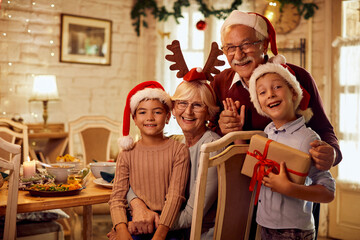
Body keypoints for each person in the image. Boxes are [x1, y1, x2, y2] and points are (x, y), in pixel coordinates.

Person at [211, 10, 342, 170]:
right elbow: (207, 134)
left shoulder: (297, 77)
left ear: (264, 45)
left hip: (292, 180)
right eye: (230, 47)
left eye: (246, 45)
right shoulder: (219, 83)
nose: (238, 55)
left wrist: (333, 153)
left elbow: (323, 129)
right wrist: (223, 129)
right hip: (240, 179)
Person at [124, 68, 223, 240]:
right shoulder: (176, 143)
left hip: (195, 234)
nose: (188, 112)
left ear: (209, 112)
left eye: (197, 105)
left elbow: (192, 215)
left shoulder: (212, 146)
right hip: (172, 228)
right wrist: (137, 204)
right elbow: (129, 180)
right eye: (182, 103)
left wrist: (142, 224)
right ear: (174, 109)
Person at [248, 59, 335, 240]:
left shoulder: (308, 139)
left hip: (294, 231)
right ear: (259, 104)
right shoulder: (268, 131)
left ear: (294, 93)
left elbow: (328, 192)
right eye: (262, 92)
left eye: (277, 87)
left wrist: (289, 188)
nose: (270, 94)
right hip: (264, 224)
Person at [108, 81, 190, 240]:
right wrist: (123, 230)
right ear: (134, 118)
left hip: (167, 226)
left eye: (157, 112)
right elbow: (117, 197)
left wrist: (159, 235)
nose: (150, 118)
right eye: (143, 112)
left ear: (167, 117)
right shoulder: (127, 153)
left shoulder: (179, 151)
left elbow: (175, 196)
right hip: (134, 222)